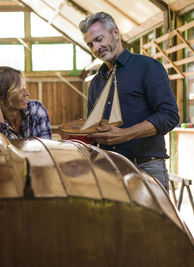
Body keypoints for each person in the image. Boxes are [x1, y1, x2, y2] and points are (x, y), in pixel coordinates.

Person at [79, 12, 179, 190]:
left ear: (116, 33)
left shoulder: (148, 67)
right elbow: (94, 130)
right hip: (108, 168)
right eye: (90, 44)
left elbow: (170, 116)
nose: (96, 48)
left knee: (154, 219)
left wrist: (126, 133)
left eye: (99, 39)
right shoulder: (95, 82)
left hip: (147, 167)